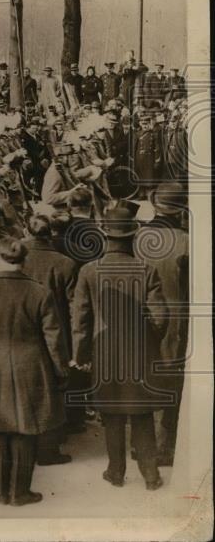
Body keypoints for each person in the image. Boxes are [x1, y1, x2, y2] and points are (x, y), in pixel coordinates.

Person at [0, 238, 68, 506]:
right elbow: (54, 338)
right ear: (24, 261)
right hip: (30, 365)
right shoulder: (40, 293)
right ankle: (19, 493)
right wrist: (61, 370)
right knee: (25, 428)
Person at [71, 201, 168, 490]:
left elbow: (81, 320)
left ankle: (115, 472)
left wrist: (81, 354)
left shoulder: (89, 271)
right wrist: (149, 341)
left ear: (105, 235)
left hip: (105, 355)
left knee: (111, 414)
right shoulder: (146, 270)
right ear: (134, 235)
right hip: (140, 353)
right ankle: (151, 476)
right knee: (142, 414)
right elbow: (161, 318)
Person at [135, 184, 189, 465]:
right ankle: (162, 447)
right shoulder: (185, 242)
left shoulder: (139, 238)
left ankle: (141, 444)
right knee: (169, 379)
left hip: (141, 318)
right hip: (174, 322)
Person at [22, 214, 81, 455]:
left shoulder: (16, 257)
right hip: (56, 332)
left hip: (21, 330)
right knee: (54, 386)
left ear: (28, 232)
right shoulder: (65, 263)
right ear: (51, 234)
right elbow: (74, 306)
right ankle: (51, 441)